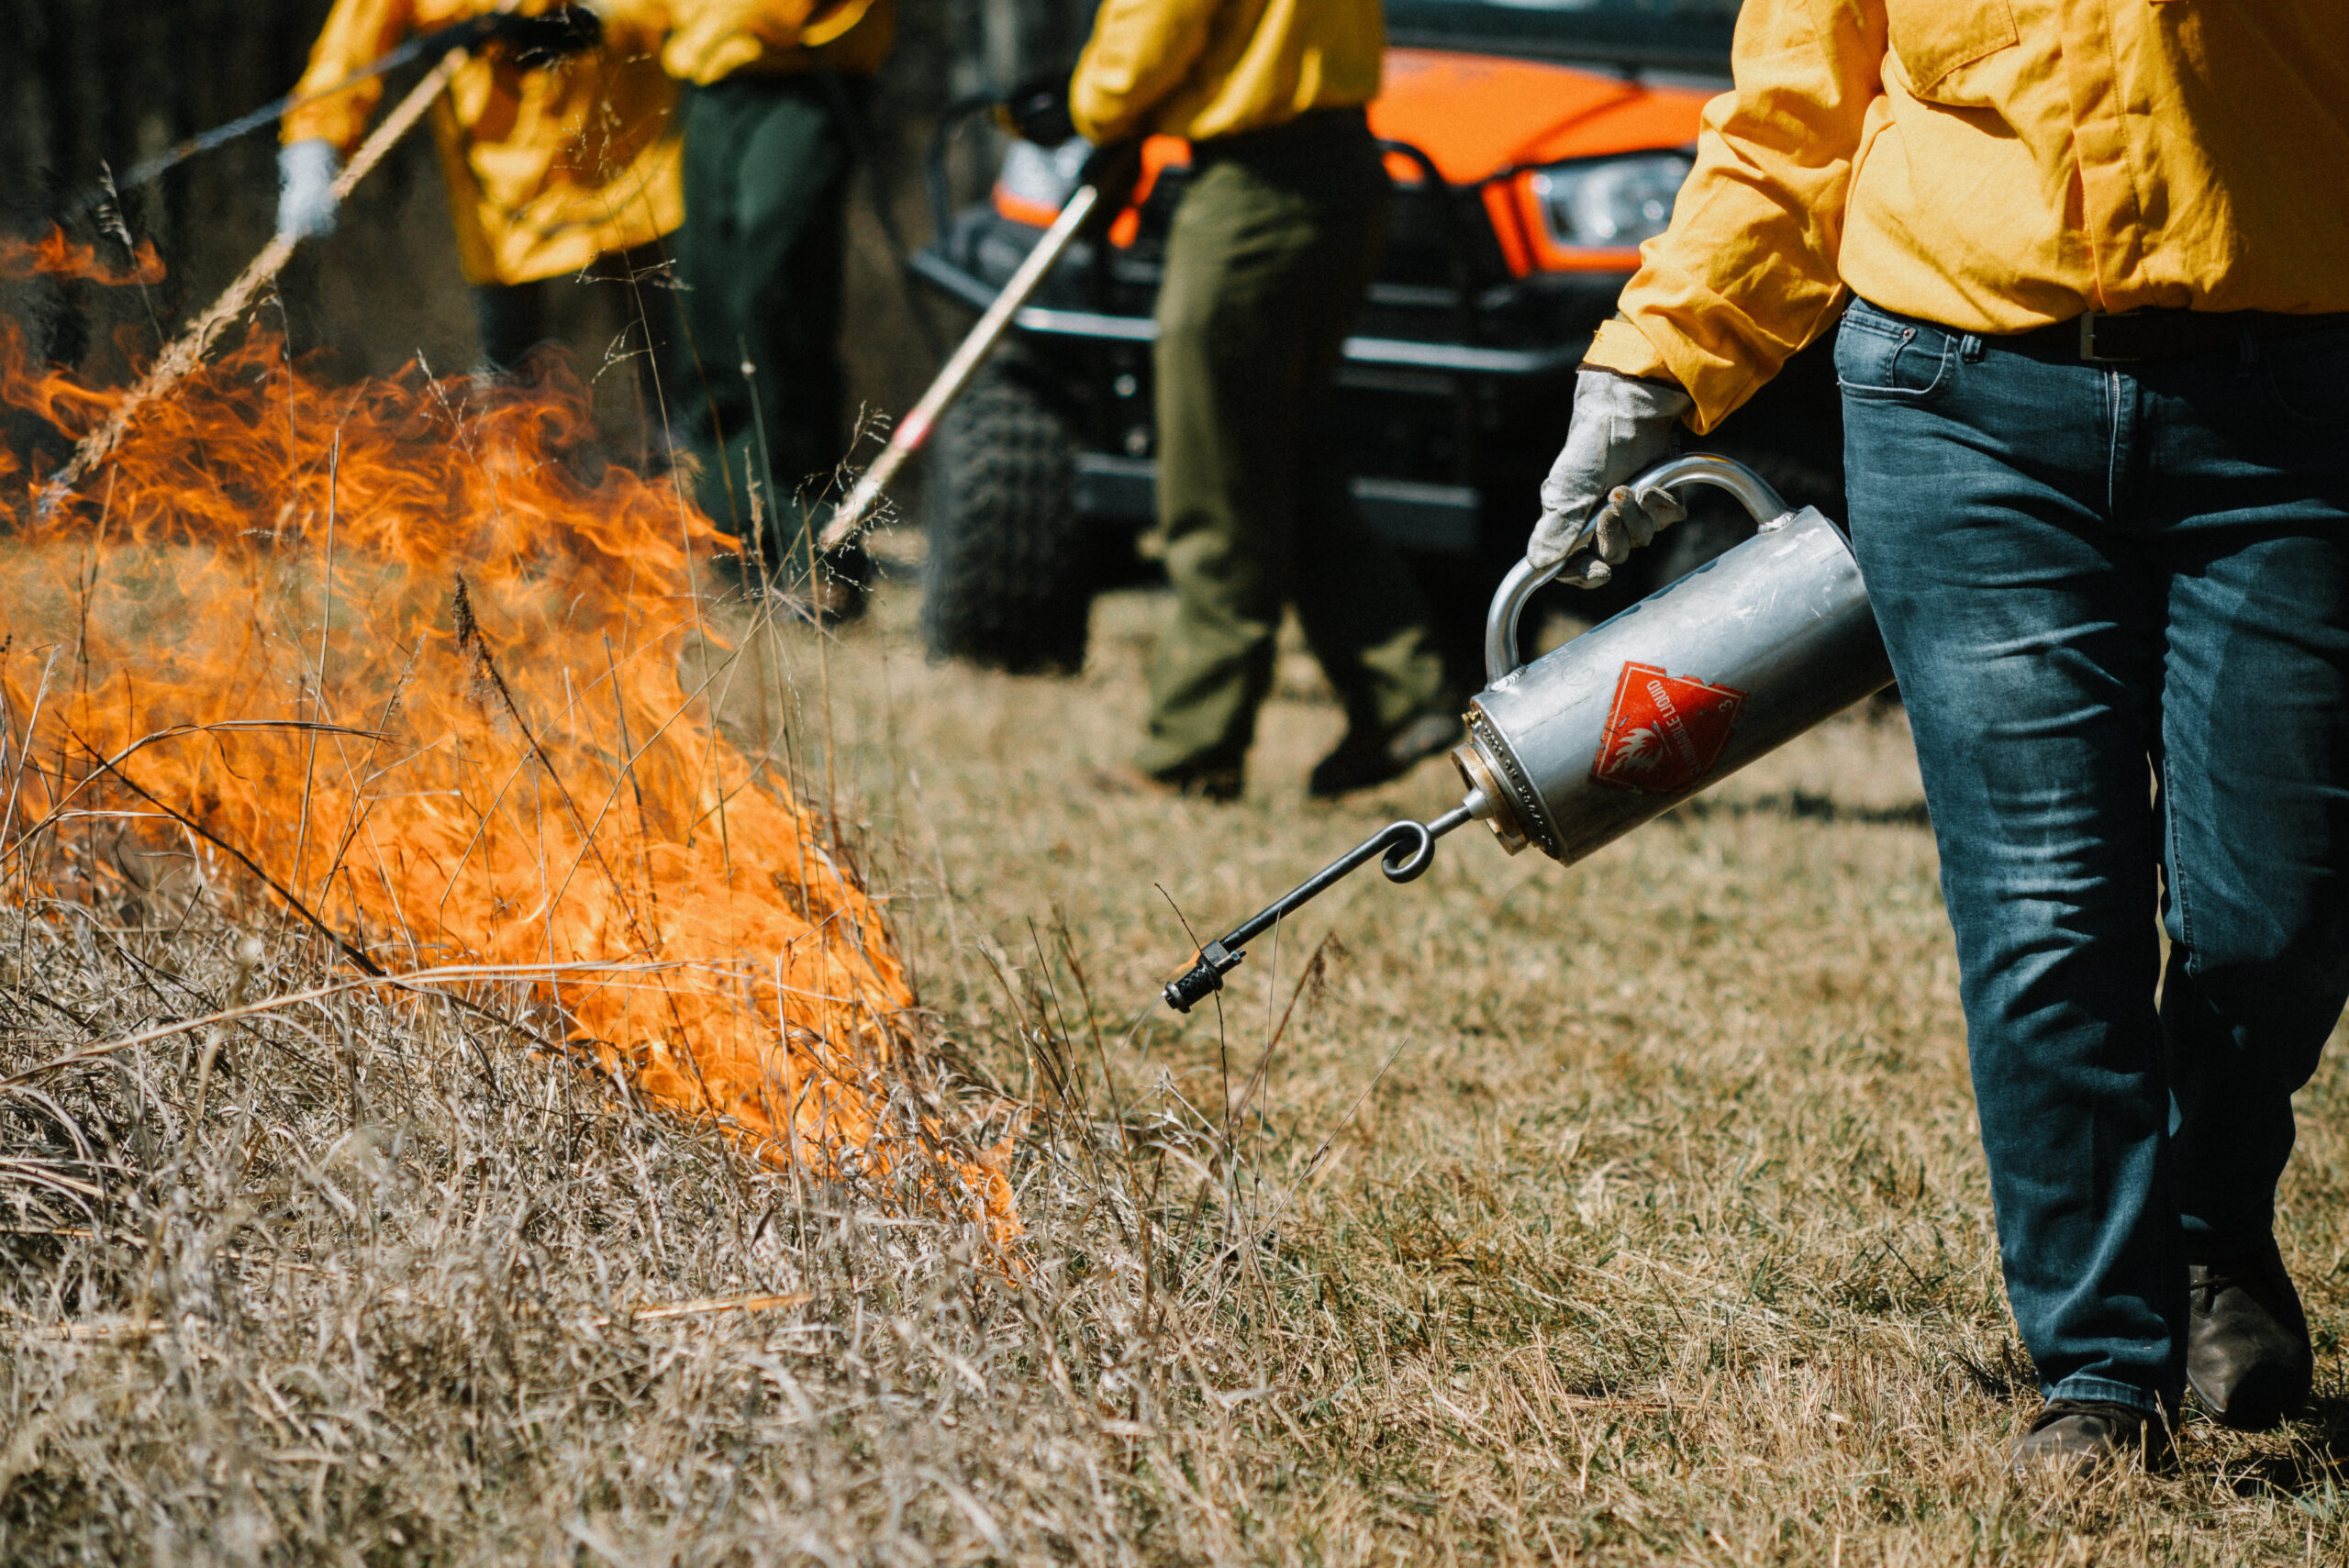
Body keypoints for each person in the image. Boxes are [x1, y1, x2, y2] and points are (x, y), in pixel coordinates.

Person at [1531, 0, 2349, 1474]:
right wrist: (1654, 363)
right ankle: (2104, 1366)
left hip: (2294, 396)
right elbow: (1797, 109)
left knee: (2279, 910)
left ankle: (2209, 1218)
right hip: (1958, 401)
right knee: (2046, 907)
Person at [1069, 0, 1455, 802]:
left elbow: (1151, 32)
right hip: (1345, 168)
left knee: (1213, 468)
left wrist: (1094, 104)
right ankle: (1399, 692)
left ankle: (1193, 744)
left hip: (1252, 184)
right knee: (1277, 447)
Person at [278, 0, 685, 430]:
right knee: (512, 371)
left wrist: (605, 21)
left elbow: (681, 12)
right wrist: (314, 147)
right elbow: (351, 46)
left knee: (671, 356)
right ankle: (518, 480)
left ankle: (688, 467)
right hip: (499, 181)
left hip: (630, 160)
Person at [644, 0, 894, 617]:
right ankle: (731, 542)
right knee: (707, 311)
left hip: (805, 76)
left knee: (772, 294)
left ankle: (813, 547)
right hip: (709, 81)